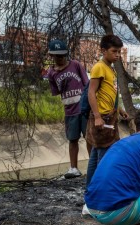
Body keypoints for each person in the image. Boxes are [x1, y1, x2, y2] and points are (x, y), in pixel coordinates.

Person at [85, 34, 129, 187]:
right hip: (102, 118)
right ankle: (97, 190)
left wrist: (120, 109)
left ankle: (91, 190)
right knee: (103, 157)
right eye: (114, 51)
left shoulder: (111, 69)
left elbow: (110, 93)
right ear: (103, 50)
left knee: (97, 154)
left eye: (119, 52)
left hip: (111, 116)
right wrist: (97, 116)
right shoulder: (99, 67)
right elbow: (91, 92)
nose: (117, 55)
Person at [47, 39, 90, 179]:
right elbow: (56, 91)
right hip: (69, 110)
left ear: (66, 55)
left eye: (62, 55)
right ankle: (73, 168)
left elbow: (87, 84)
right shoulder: (51, 73)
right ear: (52, 56)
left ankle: (93, 166)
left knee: (89, 138)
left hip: (83, 108)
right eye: (56, 56)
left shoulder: (76, 65)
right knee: (72, 139)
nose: (59, 58)